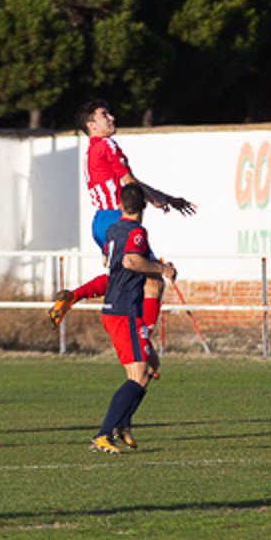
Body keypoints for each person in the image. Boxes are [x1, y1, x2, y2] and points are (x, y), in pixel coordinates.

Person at [48, 99, 194, 335]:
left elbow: (131, 182)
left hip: (101, 222)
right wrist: (155, 200)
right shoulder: (107, 145)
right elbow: (131, 184)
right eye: (105, 115)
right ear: (92, 125)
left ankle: (74, 296)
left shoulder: (92, 150)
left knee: (123, 277)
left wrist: (166, 198)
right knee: (154, 279)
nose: (112, 118)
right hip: (120, 219)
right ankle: (142, 340)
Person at [90, 183, 176, 455]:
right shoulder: (137, 232)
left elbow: (109, 260)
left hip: (114, 308)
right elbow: (130, 261)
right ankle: (104, 433)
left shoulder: (112, 229)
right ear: (144, 206)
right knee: (140, 375)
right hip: (126, 310)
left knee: (145, 369)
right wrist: (162, 268)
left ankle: (122, 425)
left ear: (120, 205)